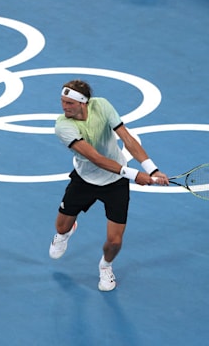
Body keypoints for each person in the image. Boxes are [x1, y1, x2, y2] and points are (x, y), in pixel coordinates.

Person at [49, 79, 169, 291]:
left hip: (115, 183)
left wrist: (152, 169)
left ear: (83, 103)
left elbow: (127, 139)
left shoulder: (102, 105)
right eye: (63, 101)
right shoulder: (63, 126)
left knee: (114, 241)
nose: (64, 107)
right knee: (61, 226)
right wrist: (134, 174)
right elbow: (95, 158)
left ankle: (106, 267)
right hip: (85, 180)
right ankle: (65, 233)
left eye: (70, 103)